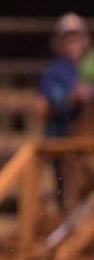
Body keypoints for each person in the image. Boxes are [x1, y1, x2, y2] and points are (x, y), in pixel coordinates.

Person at [38, 13, 93, 205]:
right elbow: (53, 101)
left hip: (85, 143)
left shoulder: (88, 66)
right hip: (63, 140)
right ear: (60, 43)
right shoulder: (54, 71)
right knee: (67, 196)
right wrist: (74, 96)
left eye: (76, 39)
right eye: (68, 40)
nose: (73, 44)